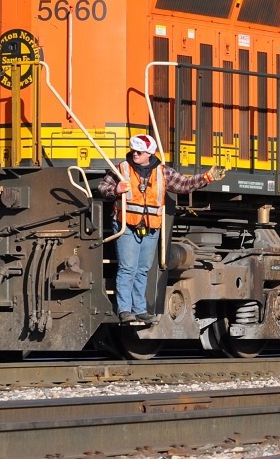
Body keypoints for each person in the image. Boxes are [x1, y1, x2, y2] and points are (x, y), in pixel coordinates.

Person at [97, 133, 226, 324]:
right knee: (128, 268)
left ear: (149, 153)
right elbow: (102, 187)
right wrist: (116, 190)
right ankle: (124, 310)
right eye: (133, 150)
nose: (135, 154)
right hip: (127, 224)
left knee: (143, 269)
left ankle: (140, 310)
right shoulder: (121, 169)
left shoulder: (163, 172)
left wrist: (206, 177)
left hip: (151, 227)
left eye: (139, 152)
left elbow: (184, 185)